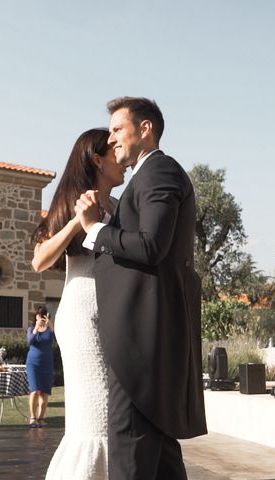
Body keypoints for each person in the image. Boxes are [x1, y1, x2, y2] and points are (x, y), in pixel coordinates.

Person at [75, 97, 207, 479]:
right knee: (159, 455)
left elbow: (151, 245)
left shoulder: (158, 171)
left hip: (140, 344)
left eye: (118, 129)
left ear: (145, 128)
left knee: (129, 450)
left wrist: (94, 230)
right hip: (148, 340)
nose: (112, 138)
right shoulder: (147, 177)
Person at [31, 128, 125, 478]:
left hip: (115, 312)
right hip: (83, 315)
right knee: (94, 416)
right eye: (115, 150)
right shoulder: (75, 204)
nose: (123, 159)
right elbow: (39, 261)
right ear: (98, 159)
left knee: (112, 415)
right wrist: (77, 222)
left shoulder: (118, 206)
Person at [25, 306, 54, 428]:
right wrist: (37, 327)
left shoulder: (50, 329)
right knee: (35, 390)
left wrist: (51, 325)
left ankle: (41, 418)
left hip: (47, 363)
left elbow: (58, 338)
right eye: (39, 315)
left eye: (43, 315)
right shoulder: (31, 329)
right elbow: (30, 342)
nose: (41, 317)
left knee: (44, 393)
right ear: (35, 316)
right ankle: (33, 417)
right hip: (33, 363)